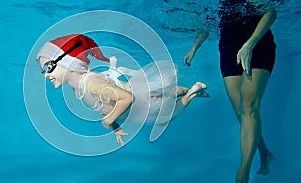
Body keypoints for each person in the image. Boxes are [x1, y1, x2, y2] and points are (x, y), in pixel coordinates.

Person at [37, 34, 209, 146]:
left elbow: (127, 98)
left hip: (141, 104)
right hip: (142, 92)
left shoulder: (91, 85)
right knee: (165, 91)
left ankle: (193, 92)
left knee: (167, 117)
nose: (46, 75)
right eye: (44, 70)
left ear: (68, 63)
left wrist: (108, 121)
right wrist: (115, 126)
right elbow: (103, 106)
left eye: (49, 67)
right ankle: (189, 90)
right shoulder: (79, 88)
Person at [183, 0, 276, 183]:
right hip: (229, 48)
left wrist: (249, 45)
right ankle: (264, 153)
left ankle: (242, 176)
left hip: (257, 44)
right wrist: (193, 49)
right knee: (241, 114)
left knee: (249, 106)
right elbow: (206, 25)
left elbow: (271, 13)